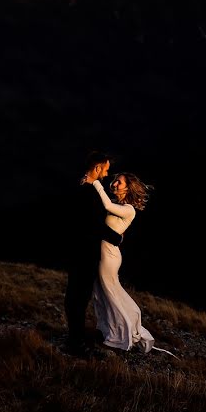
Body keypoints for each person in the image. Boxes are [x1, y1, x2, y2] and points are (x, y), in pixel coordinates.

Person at [64, 151, 125, 357]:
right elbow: (94, 225)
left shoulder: (81, 186)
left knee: (76, 296)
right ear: (97, 168)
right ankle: (76, 343)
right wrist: (117, 238)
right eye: (106, 170)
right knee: (79, 298)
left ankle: (76, 338)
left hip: (76, 250)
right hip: (85, 253)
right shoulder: (89, 192)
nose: (107, 174)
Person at [88, 172, 156, 352]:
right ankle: (109, 330)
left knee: (109, 292)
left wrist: (95, 183)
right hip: (104, 252)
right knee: (101, 292)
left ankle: (125, 331)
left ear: (128, 187)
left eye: (120, 181)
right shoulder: (119, 206)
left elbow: (107, 204)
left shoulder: (129, 209)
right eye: (115, 180)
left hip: (109, 255)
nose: (115, 183)